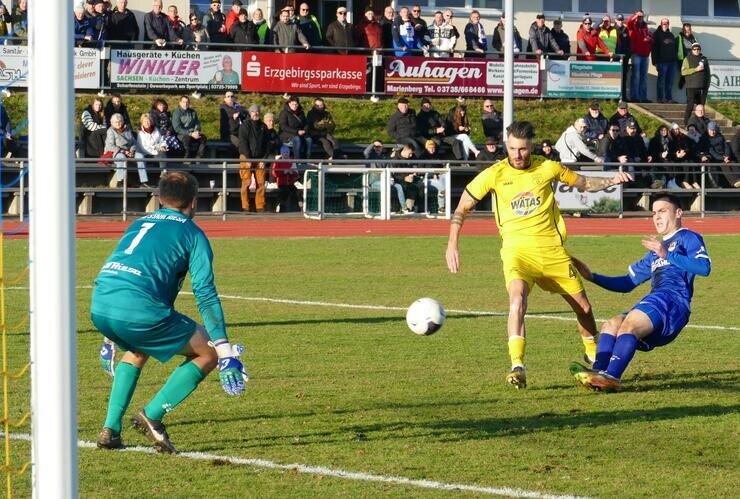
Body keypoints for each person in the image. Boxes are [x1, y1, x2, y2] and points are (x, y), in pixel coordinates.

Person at [445, 120, 633, 389]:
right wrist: (452, 243)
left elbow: (583, 183)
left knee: (585, 309)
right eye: (512, 149)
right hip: (517, 254)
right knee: (517, 300)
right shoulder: (495, 173)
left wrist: (612, 180)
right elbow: (463, 207)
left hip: (552, 253)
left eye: (522, 149)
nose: (517, 155)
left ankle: (592, 352)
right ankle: (517, 366)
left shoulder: (547, 167)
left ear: (530, 146)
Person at [92, 171, 247, 453]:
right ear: (194, 202)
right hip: (139, 309)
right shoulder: (192, 233)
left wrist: (108, 338)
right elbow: (205, 292)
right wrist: (225, 351)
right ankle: (152, 415)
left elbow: (119, 271)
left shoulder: (139, 223)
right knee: (207, 352)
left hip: (100, 304)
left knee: (138, 348)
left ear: (160, 198)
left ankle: (110, 429)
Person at [569, 193, 711, 391]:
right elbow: (627, 283)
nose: (657, 217)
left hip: (673, 302)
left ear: (679, 213)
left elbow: (704, 268)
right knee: (611, 325)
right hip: (658, 301)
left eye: (662, 211)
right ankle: (598, 372)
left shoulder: (688, 237)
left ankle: (612, 377)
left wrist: (667, 254)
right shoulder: (654, 252)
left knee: (630, 325)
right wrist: (592, 276)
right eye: (654, 213)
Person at [238, 104, 269, 212]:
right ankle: (245, 206)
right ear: (250, 113)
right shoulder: (244, 126)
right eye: (253, 111)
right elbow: (243, 143)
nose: (255, 113)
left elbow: (267, 144)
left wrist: (264, 159)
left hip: (260, 158)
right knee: (246, 182)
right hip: (246, 157)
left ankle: (260, 206)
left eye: (257, 111)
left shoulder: (263, 126)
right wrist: (248, 159)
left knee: (261, 182)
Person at [105, 112, 147, 187]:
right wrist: (123, 151)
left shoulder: (127, 129)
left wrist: (132, 150)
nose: (118, 123)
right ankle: (120, 181)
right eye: (116, 122)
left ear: (123, 121)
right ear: (112, 123)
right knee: (121, 158)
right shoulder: (110, 131)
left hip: (130, 151)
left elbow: (134, 142)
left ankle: (143, 181)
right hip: (118, 152)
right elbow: (109, 145)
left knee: (140, 156)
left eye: (120, 121)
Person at [626, 10, 653, 103]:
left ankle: (643, 97)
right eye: (639, 16)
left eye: (642, 16)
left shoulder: (646, 27)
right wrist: (635, 15)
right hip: (636, 54)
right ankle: (634, 97)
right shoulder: (632, 26)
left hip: (645, 55)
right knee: (636, 76)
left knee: (644, 77)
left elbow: (651, 39)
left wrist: (649, 39)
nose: (640, 18)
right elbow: (628, 22)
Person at [681, 43, 710, 126]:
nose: (697, 51)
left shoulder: (704, 59)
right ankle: (686, 123)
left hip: (702, 86)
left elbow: (708, 73)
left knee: (701, 106)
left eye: (698, 49)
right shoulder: (687, 59)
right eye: (695, 49)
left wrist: (707, 85)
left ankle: (702, 124)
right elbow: (683, 72)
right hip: (691, 86)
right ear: (692, 50)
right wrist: (695, 69)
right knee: (690, 105)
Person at [651, 17, 678, 103]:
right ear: (661, 24)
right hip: (662, 62)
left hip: (672, 62)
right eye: (663, 23)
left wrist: (675, 60)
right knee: (661, 82)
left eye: (667, 23)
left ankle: (669, 98)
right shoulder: (656, 34)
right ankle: (660, 98)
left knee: (670, 82)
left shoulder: (671, 35)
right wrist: (655, 62)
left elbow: (674, 48)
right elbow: (653, 49)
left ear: (669, 24)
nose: (665, 25)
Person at [279, 96, 312, 162]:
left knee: (309, 139)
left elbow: (305, 124)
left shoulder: (301, 112)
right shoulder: (284, 113)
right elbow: (283, 126)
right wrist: (297, 131)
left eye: (296, 104)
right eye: (292, 104)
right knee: (297, 139)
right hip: (287, 134)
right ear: (289, 104)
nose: (294, 106)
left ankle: (307, 159)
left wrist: (305, 130)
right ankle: (297, 160)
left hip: (300, 133)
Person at [272, 145, 301, 212]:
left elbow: (296, 173)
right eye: (284, 152)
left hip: (290, 182)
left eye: (287, 152)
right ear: (281, 153)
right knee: (284, 192)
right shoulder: (277, 161)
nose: (286, 154)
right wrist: (284, 172)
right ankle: (279, 206)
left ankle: (300, 207)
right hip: (281, 183)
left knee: (297, 192)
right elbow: (274, 173)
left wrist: (292, 173)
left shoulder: (291, 161)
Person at [219, 91, 244, 155]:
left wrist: (238, 113)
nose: (230, 98)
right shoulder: (223, 107)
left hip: (238, 132)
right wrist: (234, 114)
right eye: (228, 96)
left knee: (247, 142)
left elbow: (242, 110)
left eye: (232, 96)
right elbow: (229, 113)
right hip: (228, 134)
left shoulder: (236, 105)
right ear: (225, 99)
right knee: (240, 144)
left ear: (234, 98)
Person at [613, 14, 631, 100]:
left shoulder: (625, 29)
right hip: (615, 57)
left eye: (621, 20)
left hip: (624, 57)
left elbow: (628, 44)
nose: (620, 21)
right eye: (618, 20)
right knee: (614, 77)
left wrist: (628, 56)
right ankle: (614, 96)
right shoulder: (612, 29)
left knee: (624, 77)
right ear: (615, 20)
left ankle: (623, 96)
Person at [676, 23, 697, 90]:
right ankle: (682, 81)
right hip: (682, 60)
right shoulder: (679, 38)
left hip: (692, 59)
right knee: (685, 74)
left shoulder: (693, 38)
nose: (687, 32)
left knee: (693, 76)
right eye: (685, 30)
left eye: (689, 30)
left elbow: (697, 47)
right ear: (682, 30)